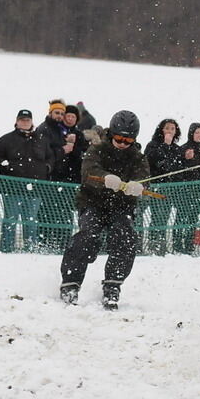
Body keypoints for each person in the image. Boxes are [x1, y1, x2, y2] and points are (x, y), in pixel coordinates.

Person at [60, 111, 150, 310]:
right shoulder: (97, 149)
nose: (122, 143)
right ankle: (70, 283)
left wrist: (139, 186)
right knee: (88, 235)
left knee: (125, 237)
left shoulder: (138, 157)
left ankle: (113, 285)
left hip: (122, 206)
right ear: (112, 134)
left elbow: (143, 176)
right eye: (119, 138)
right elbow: (88, 172)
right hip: (94, 202)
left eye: (128, 140)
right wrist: (105, 178)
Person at [0, 109, 52, 252]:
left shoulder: (42, 139)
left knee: (31, 222)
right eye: (22, 120)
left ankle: (30, 249)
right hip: (12, 188)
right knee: (10, 221)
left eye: (27, 120)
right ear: (17, 121)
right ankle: (6, 249)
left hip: (35, 189)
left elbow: (50, 158)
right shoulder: (5, 140)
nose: (25, 122)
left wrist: (47, 168)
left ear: (32, 121)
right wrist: (7, 166)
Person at [36, 99, 73, 252]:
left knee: (63, 214)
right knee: (46, 214)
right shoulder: (44, 129)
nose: (59, 116)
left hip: (61, 179)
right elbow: (43, 154)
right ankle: (44, 245)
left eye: (62, 114)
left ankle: (61, 246)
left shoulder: (60, 130)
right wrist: (63, 150)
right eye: (57, 113)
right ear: (50, 112)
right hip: (49, 179)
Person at [143, 118, 183, 255]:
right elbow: (153, 161)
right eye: (167, 128)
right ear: (161, 129)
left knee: (165, 216)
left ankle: (161, 245)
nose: (170, 131)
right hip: (156, 186)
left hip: (170, 188)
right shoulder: (153, 145)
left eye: (173, 129)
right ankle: (154, 243)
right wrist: (165, 145)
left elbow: (176, 166)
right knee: (156, 216)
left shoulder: (177, 148)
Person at [173, 122, 200, 254]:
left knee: (193, 219)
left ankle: (189, 244)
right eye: (196, 132)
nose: (199, 135)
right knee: (180, 218)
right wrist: (186, 159)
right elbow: (178, 169)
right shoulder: (183, 149)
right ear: (191, 133)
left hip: (199, 191)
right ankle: (177, 244)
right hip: (184, 191)